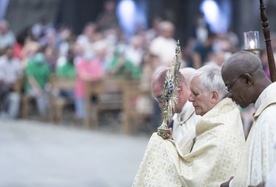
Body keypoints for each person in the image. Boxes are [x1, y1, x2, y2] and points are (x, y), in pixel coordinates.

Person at [133, 64, 245, 186]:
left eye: (195, 94)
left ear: (214, 96)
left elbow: (197, 177)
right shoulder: (214, 116)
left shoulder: (216, 125)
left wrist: (165, 148)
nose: (190, 99)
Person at [220, 51, 276, 187]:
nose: (229, 95)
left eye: (229, 87)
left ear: (247, 80)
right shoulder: (264, 110)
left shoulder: (271, 115)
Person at [151, 66, 201, 142]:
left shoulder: (200, 116)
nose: (160, 105)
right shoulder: (176, 118)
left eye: (162, 98)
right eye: (157, 100)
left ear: (178, 90)